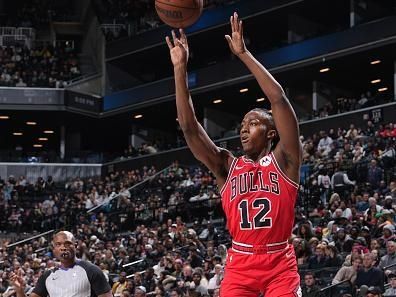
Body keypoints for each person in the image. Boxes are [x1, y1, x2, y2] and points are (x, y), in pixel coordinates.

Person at [166, 12, 302, 297]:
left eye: (253, 124)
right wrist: (180, 69)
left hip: (279, 262)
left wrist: (243, 54)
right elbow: (190, 129)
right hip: (240, 263)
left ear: (271, 133)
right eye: (241, 126)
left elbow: (278, 98)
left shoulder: (286, 159)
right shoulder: (226, 165)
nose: (243, 130)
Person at [10, 231, 112, 297]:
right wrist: (19, 290)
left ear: (75, 246)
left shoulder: (92, 271)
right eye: (58, 244)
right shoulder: (47, 276)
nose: (63, 247)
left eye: (67, 243)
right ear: (54, 249)